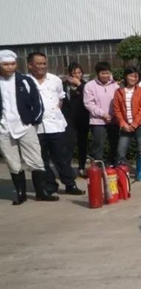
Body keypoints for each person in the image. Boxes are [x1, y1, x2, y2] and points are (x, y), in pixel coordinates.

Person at [0, 50, 59, 204]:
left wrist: (33, 121)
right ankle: (21, 193)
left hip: (25, 126)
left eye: (12, 64)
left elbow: (36, 103)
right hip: (4, 129)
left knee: (35, 160)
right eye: (6, 64)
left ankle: (41, 192)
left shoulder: (25, 81)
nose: (10, 67)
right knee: (12, 162)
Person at [27, 52, 84, 195]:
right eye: (38, 63)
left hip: (56, 125)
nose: (42, 66)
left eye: (44, 63)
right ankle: (50, 185)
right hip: (36, 127)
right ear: (30, 65)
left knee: (62, 158)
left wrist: (55, 110)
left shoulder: (55, 80)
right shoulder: (24, 81)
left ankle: (70, 184)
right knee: (42, 160)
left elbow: (61, 97)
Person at [114, 67, 141, 181]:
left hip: (140, 125)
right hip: (125, 126)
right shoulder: (119, 92)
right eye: (131, 76)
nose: (133, 78)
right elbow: (117, 109)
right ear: (126, 76)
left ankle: (140, 173)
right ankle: (122, 172)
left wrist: (134, 124)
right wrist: (123, 123)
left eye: (135, 76)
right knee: (121, 150)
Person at [83, 61, 120, 167]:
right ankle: (98, 166)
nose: (105, 76)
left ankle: (113, 164)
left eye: (107, 73)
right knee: (98, 144)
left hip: (113, 120)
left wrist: (113, 116)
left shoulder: (115, 86)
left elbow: (118, 102)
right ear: (97, 73)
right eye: (102, 73)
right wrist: (102, 114)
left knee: (115, 143)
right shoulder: (90, 86)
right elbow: (89, 103)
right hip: (98, 121)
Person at [62, 63, 90, 177]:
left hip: (83, 118)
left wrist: (79, 85)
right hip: (69, 118)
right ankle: (67, 168)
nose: (78, 75)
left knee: (82, 143)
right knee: (69, 143)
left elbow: (89, 95)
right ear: (70, 74)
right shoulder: (64, 85)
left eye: (79, 72)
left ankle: (82, 167)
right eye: (75, 73)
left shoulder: (85, 85)